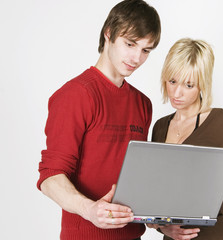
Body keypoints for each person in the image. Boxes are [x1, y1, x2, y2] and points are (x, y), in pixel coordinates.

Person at [36, 1, 161, 239]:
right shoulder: (75, 95)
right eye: (130, 44)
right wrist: (90, 209)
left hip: (133, 235)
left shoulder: (143, 104)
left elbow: (136, 178)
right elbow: (50, 177)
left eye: (146, 50)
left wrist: (162, 220)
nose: (136, 57)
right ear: (109, 34)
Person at [149, 38, 223, 240]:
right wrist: (162, 227)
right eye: (172, 81)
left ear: (202, 85)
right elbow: (157, 195)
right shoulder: (160, 127)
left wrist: (199, 209)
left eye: (188, 85)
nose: (177, 92)